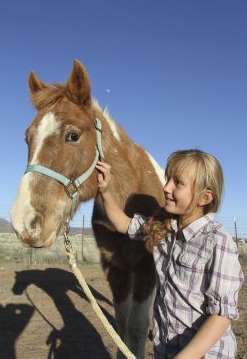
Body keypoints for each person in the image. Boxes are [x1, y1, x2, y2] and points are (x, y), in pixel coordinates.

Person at [96, 149, 244, 359]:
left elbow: (221, 315)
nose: (166, 188)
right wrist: (105, 190)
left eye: (177, 183)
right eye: (167, 180)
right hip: (166, 350)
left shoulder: (218, 241)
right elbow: (122, 224)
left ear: (205, 197)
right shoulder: (162, 228)